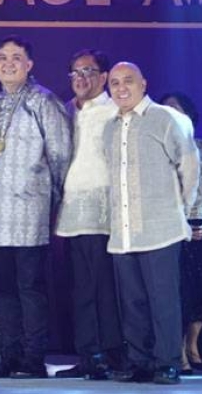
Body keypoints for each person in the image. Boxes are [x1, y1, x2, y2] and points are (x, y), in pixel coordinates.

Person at [0, 35, 72, 379]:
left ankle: (33, 359)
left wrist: (55, 198)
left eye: (16, 58)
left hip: (30, 210)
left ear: (29, 64)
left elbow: (61, 154)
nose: (8, 63)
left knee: (30, 289)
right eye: (1, 57)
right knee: (3, 289)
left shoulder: (43, 101)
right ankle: (9, 357)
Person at [104, 63, 199, 386]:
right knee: (132, 303)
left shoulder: (167, 119)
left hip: (161, 228)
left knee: (163, 301)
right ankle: (139, 362)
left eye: (128, 81)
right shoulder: (111, 127)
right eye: (114, 83)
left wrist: (179, 209)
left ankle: (167, 363)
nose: (121, 88)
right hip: (124, 231)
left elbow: (190, 166)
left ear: (143, 83)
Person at [54, 50, 124, 380]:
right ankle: (88, 355)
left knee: (105, 287)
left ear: (104, 75)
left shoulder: (114, 110)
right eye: (74, 72)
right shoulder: (66, 111)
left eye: (88, 71)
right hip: (71, 210)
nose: (80, 78)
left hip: (104, 209)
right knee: (80, 288)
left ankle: (113, 353)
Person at [160, 91, 202, 375]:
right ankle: (177, 353)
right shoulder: (159, 147)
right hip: (171, 227)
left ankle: (193, 346)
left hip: (201, 225)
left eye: (177, 110)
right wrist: (181, 225)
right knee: (179, 293)